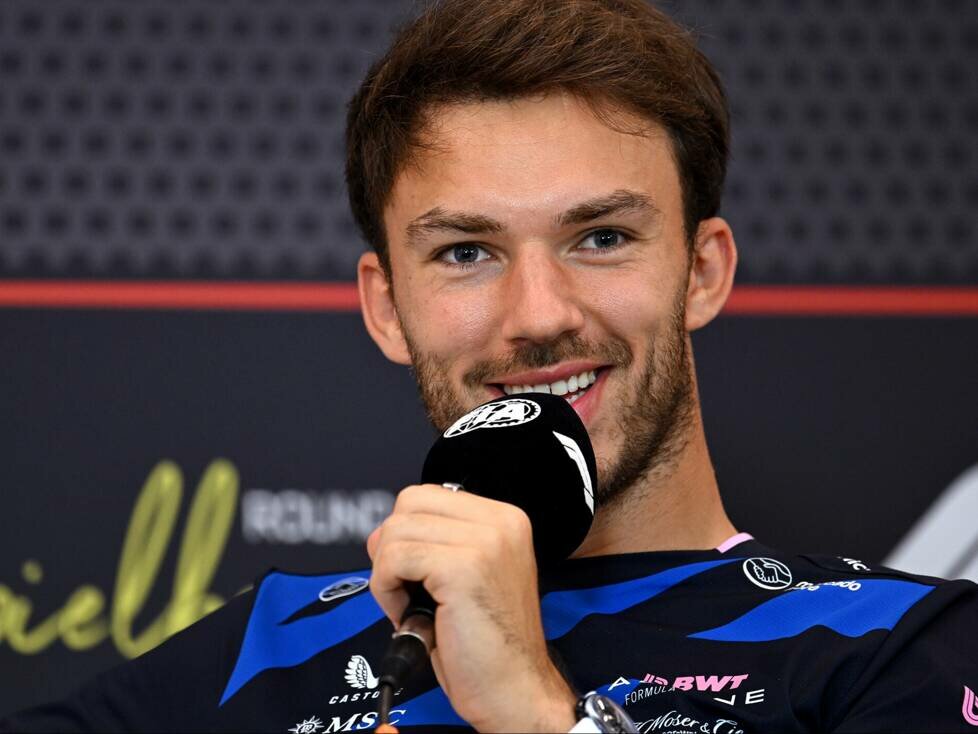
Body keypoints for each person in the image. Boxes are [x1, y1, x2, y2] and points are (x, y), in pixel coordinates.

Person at [4, 0, 977, 732]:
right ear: (386, 305)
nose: (540, 314)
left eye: (601, 237)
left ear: (703, 271)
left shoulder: (892, 648)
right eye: (466, 251)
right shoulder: (267, 643)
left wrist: (536, 710)